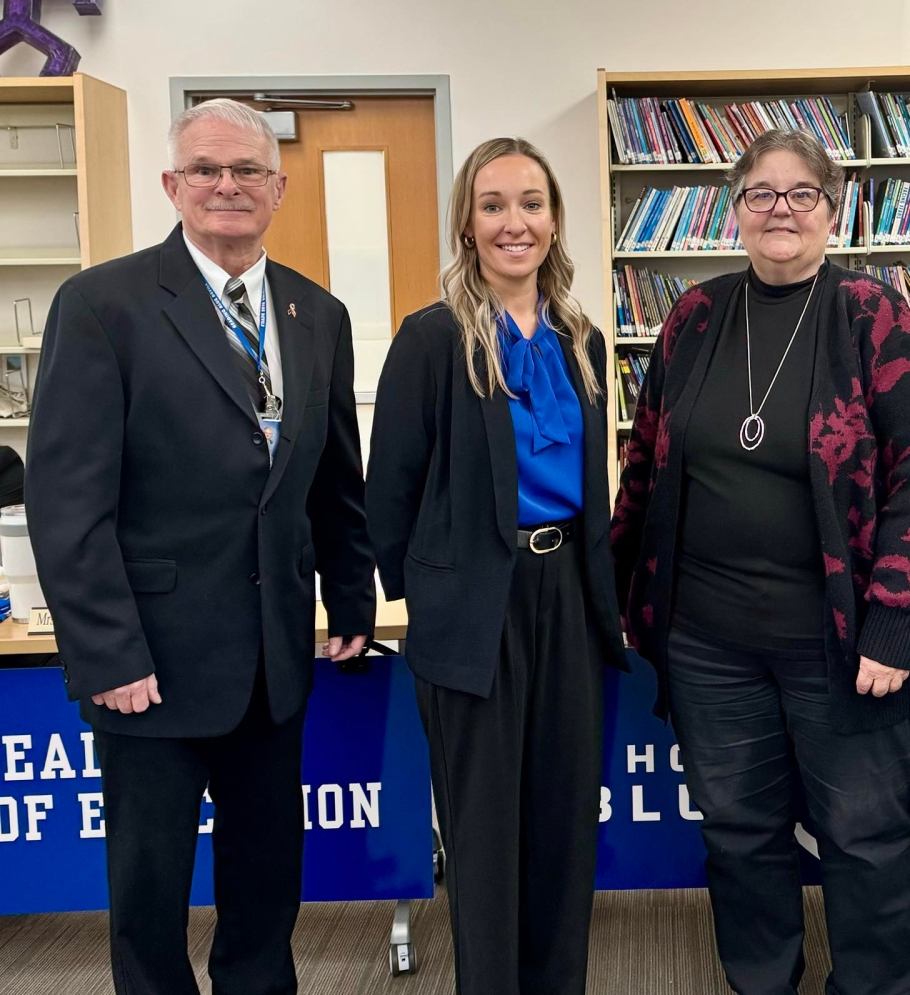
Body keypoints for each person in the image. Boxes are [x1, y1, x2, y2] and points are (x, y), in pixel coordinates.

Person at [26, 99, 375, 995]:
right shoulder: (103, 304)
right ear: (172, 186)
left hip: (272, 657)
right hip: (150, 664)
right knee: (149, 889)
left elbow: (335, 479)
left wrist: (350, 601)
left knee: (267, 880)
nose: (228, 186)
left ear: (278, 187)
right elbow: (67, 501)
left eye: (248, 171)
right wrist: (104, 650)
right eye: (207, 170)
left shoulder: (314, 312)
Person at [611, 128, 910, 995]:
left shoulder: (872, 314)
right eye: (761, 193)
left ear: (832, 213)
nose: (780, 210)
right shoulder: (693, 315)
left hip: (846, 645)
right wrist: (623, 594)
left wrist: (890, 616)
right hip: (709, 642)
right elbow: (646, 462)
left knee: (862, 836)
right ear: (734, 211)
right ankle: (761, 981)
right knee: (737, 831)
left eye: (802, 193)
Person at [365, 137, 628, 995]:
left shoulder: (581, 337)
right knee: (483, 839)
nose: (514, 222)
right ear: (467, 225)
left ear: (555, 221)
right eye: (493, 204)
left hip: (570, 602)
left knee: (563, 830)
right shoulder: (432, 338)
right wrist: (430, 598)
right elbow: (389, 491)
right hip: (474, 607)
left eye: (531, 203)